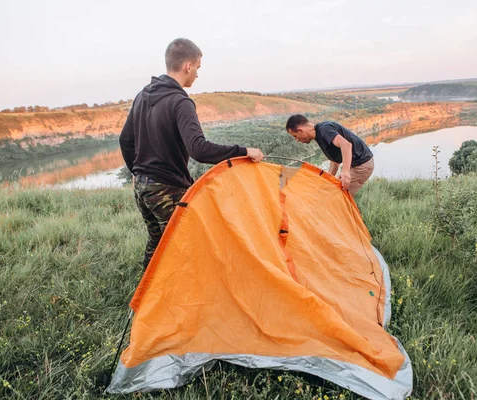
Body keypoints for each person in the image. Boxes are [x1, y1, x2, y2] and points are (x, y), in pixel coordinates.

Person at [120, 38, 264, 269]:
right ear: (188, 65)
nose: (197, 74)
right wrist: (244, 151)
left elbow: (125, 140)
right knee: (186, 244)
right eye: (198, 67)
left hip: (142, 188)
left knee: (157, 240)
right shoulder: (180, 102)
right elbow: (198, 148)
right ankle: (177, 297)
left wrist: (136, 172)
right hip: (166, 189)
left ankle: (145, 295)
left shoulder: (142, 96)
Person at [286, 115, 374, 196]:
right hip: (355, 164)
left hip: (362, 165)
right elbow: (335, 162)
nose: (297, 140)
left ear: (300, 130)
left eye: (295, 136)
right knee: (333, 191)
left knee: (339, 196)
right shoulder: (319, 135)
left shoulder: (324, 130)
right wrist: (327, 180)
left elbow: (346, 145)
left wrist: (345, 171)